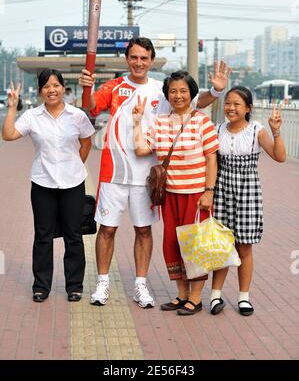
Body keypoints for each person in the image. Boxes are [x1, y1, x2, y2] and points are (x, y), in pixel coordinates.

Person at [79, 37, 230, 309]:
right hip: (113, 171)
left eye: (144, 58)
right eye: (134, 57)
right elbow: (90, 106)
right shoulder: (114, 87)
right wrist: (86, 86)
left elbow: (192, 102)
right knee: (107, 230)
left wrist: (217, 92)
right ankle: (102, 283)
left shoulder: (161, 92)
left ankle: (140, 284)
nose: (138, 63)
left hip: (148, 178)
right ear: (127, 59)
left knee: (144, 231)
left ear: (151, 60)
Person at [2, 69, 95, 303]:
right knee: (43, 235)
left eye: (56, 85)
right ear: (41, 91)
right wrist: (12, 107)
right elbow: (9, 135)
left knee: (73, 235)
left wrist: (73, 166)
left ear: (63, 88)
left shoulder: (77, 116)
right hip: (42, 182)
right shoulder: (33, 116)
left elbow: (86, 143)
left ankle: (74, 286)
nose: (51, 90)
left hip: (73, 183)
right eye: (46, 86)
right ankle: (41, 286)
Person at [132, 71, 219, 315]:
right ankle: (181, 295)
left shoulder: (202, 121)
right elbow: (141, 150)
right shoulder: (159, 123)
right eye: (173, 91)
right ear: (167, 95)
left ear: (192, 93)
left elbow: (212, 158)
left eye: (183, 91)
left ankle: (195, 297)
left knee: (195, 245)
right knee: (172, 244)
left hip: (196, 195)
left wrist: (208, 191)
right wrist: (137, 122)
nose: (178, 95)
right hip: (169, 195)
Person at [210, 86, 286, 316]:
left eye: (237, 104)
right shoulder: (217, 129)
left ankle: (244, 297)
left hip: (247, 191)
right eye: (228, 103)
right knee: (221, 244)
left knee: (244, 246)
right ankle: (215, 296)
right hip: (222, 190)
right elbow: (211, 162)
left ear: (248, 108)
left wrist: (276, 132)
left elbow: (280, 157)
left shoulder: (256, 130)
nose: (231, 108)